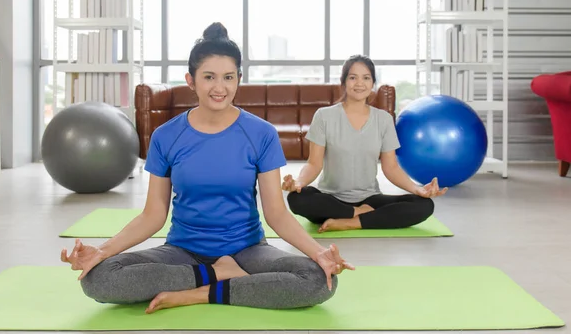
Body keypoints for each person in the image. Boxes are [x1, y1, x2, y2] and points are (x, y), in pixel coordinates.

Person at [60, 22, 354, 314]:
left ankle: (198, 293)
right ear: (191, 80)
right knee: (98, 279)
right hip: (182, 252)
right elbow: (153, 215)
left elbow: (276, 214)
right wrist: (102, 251)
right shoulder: (166, 136)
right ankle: (216, 275)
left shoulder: (261, 133)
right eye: (209, 77)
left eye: (228, 77)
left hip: (248, 251)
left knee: (319, 280)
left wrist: (319, 253)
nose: (219, 87)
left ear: (239, 78)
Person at [282, 55, 448, 233]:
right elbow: (314, 164)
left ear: (372, 83)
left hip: (370, 199)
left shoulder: (383, 119)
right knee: (297, 199)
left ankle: (349, 222)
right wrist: (299, 182)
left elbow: (391, 167)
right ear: (344, 82)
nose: (359, 83)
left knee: (424, 205)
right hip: (330, 200)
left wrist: (418, 189)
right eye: (353, 77)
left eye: (366, 78)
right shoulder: (324, 116)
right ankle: (358, 214)